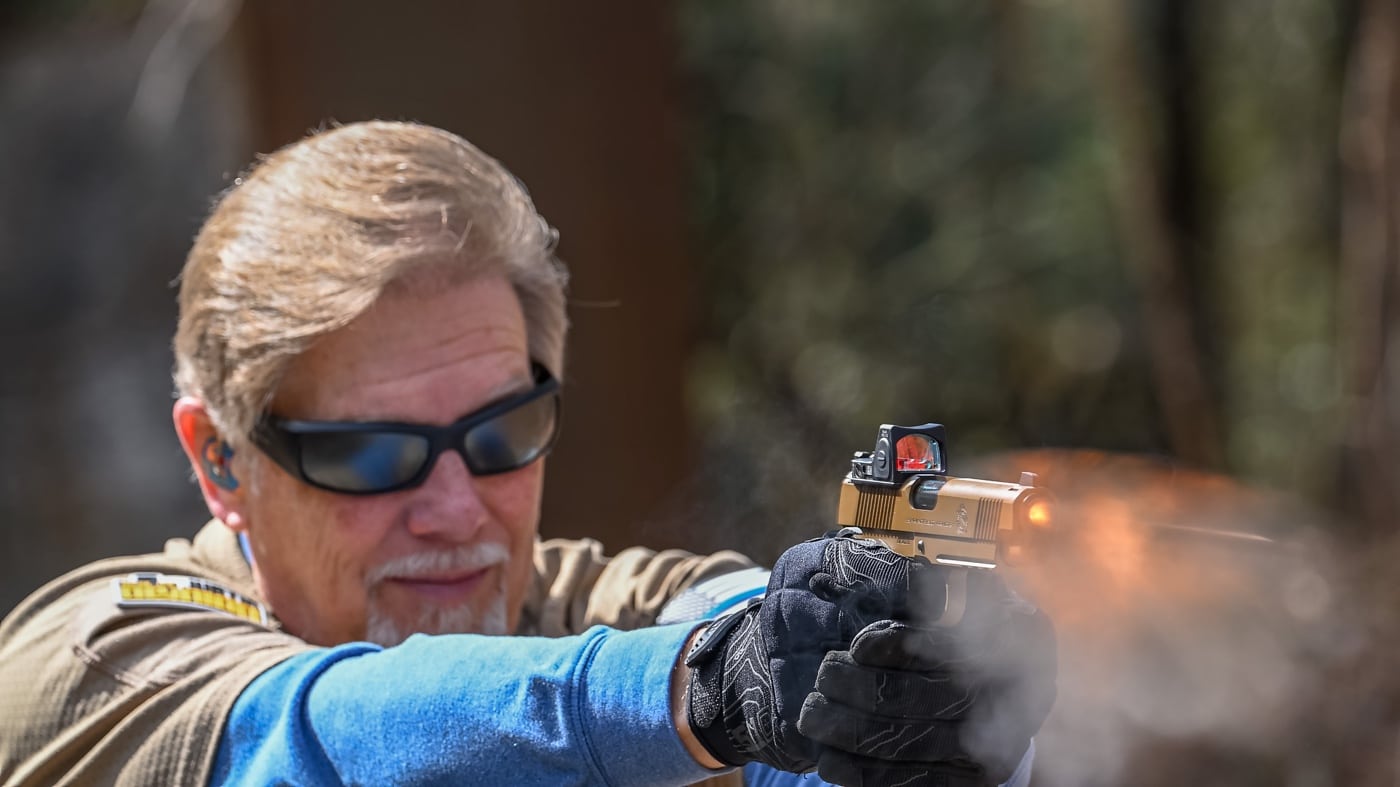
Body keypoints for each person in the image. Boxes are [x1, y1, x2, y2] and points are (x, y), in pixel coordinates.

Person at [0, 121, 1055, 787]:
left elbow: (748, 640)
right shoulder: (100, 652)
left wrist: (920, 715)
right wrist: (707, 693)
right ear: (220, 462)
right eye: (372, 454)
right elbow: (321, 743)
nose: (456, 507)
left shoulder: (589, 604)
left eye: (500, 434)